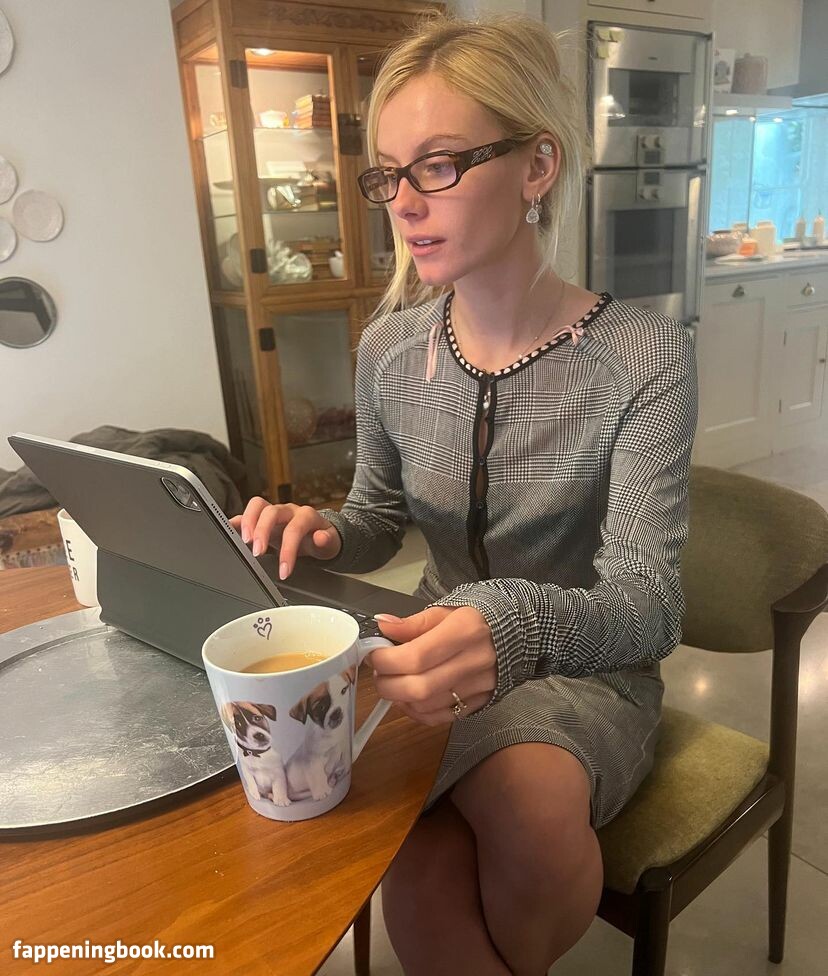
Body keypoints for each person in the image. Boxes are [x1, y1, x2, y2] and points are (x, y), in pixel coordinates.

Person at [230, 12, 698, 976]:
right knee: (418, 872)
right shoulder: (390, 349)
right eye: (388, 174)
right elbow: (377, 518)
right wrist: (322, 534)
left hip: (590, 669)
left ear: (537, 166)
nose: (403, 204)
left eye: (438, 165)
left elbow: (649, 607)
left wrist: (512, 624)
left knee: (528, 804)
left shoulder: (642, 357)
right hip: (430, 663)